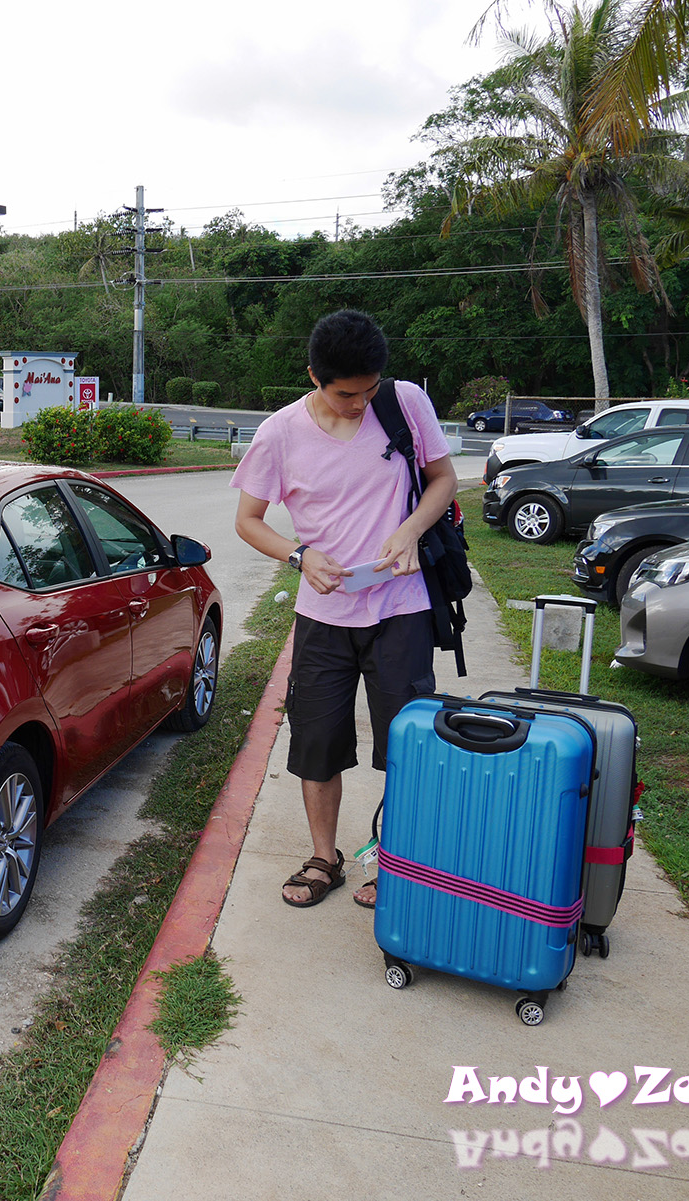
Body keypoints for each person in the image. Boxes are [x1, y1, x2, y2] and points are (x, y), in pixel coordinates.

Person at [232, 310, 457, 909]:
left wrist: (409, 530)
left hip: (401, 606)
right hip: (323, 615)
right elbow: (248, 522)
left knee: (407, 743)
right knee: (317, 741)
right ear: (314, 377)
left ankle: (399, 860)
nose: (361, 403)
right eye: (346, 393)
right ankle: (323, 858)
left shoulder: (404, 403)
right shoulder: (280, 433)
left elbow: (443, 480)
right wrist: (299, 555)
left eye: (370, 389)